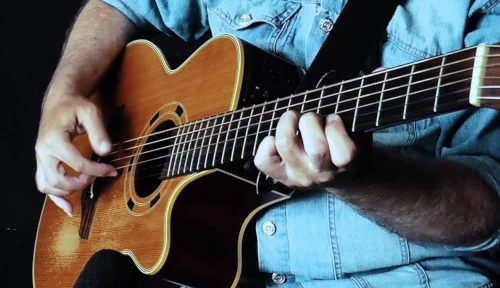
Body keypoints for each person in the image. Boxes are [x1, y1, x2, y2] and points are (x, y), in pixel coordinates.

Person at [34, 0, 500, 287]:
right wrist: (63, 93)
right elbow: (121, 3)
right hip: (191, 271)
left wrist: (363, 179)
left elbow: (486, 212)